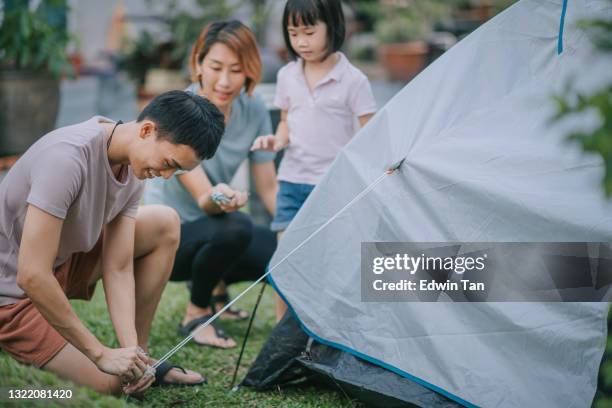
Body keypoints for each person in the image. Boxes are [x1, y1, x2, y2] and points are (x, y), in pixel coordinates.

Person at [0, 91, 225, 396]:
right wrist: (100, 353)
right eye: (168, 163)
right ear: (146, 130)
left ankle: (140, 356)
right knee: (113, 384)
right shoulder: (66, 159)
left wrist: (132, 355)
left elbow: (118, 266)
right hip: (13, 293)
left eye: (178, 170)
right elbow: (31, 274)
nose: (167, 176)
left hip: (60, 265)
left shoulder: (133, 165)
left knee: (164, 222)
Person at [143, 20, 278, 349]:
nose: (225, 81)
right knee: (236, 226)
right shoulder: (182, 113)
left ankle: (216, 290)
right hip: (168, 240)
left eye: (237, 69)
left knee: (279, 251)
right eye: (216, 66)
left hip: (212, 226)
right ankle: (196, 313)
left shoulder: (254, 109)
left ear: (250, 70)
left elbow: (269, 187)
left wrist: (296, 230)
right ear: (198, 64)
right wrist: (224, 197)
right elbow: (205, 198)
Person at [251, 0, 377, 321]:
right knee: (286, 261)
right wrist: (276, 141)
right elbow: (285, 122)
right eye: (293, 33)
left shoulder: (354, 80)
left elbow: (371, 136)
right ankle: (283, 332)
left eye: (309, 32)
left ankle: (327, 328)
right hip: (292, 182)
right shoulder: (287, 75)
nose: (301, 42)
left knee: (331, 262)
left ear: (333, 28)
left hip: (334, 187)